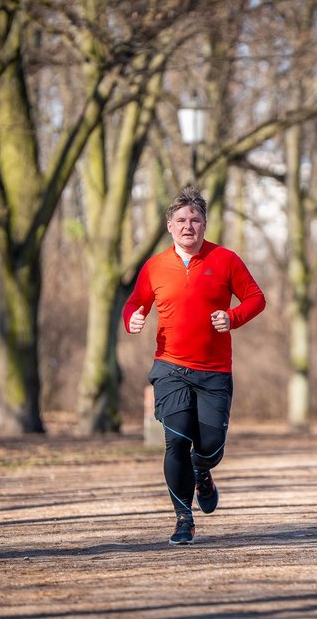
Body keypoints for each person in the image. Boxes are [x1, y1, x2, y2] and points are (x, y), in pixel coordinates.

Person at [124, 187, 266, 546]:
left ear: (204, 224)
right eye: (182, 220)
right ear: (170, 226)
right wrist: (133, 320)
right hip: (170, 366)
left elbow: (256, 298)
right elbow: (134, 304)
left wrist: (231, 317)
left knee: (211, 445)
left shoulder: (226, 259)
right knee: (176, 442)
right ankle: (183, 519)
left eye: (196, 220)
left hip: (214, 370)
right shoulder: (155, 265)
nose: (189, 226)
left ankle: (203, 471)